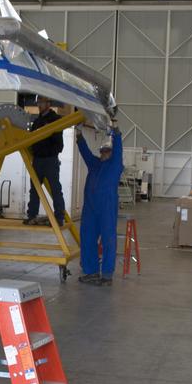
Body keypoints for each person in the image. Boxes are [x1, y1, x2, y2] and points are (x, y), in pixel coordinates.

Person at [76, 121, 123, 286]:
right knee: (87, 238)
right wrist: (79, 135)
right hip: (90, 208)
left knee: (108, 239)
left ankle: (107, 275)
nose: (103, 153)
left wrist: (116, 133)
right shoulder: (95, 164)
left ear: (111, 152)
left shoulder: (115, 166)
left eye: (107, 151)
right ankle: (91, 271)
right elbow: (85, 152)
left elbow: (118, 151)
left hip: (106, 208)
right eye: (102, 151)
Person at [24, 96, 66, 226]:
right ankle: (32, 216)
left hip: (50, 160)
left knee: (55, 189)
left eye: (41, 102)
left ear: (48, 104)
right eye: (38, 103)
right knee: (34, 189)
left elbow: (59, 145)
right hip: (38, 160)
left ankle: (59, 218)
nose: (39, 105)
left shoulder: (55, 120)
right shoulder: (37, 122)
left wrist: (46, 151)